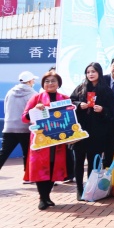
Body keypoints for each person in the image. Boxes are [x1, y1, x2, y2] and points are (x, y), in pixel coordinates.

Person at [21, 71, 69, 210]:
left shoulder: (64, 98)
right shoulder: (36, 98)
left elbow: (70, 117)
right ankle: (42, 198)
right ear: (43, 84)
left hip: (57, 140)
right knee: (40, 168)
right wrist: (34, 110)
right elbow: (24, 117)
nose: (50, 83)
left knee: (53, 166)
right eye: (47, 81)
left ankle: (47, 196)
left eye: (53, 81)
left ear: (58, 83)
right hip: (40, 140)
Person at [69, 62, 114, 201]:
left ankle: (90, 188)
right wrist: (78, 105)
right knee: (78, 161)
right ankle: (79, 188)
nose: (91, 74)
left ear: (99, 73)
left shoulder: (106, 90)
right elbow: (70, 103)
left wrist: (102, 110)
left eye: (93, 71)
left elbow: (112, 112)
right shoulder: (80, 88)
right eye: (88, 72)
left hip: (97, 133)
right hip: (80, 132)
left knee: (93, 161)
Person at [0, 71, 37, 174]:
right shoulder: (33, 94)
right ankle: (28, 176)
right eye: (33, 79)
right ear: (29, 81)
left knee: (3, 152)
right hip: (25, 128)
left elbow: (5, 110)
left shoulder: (10, 92)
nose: (33, 81)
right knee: (27, 153)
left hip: (9, 127)